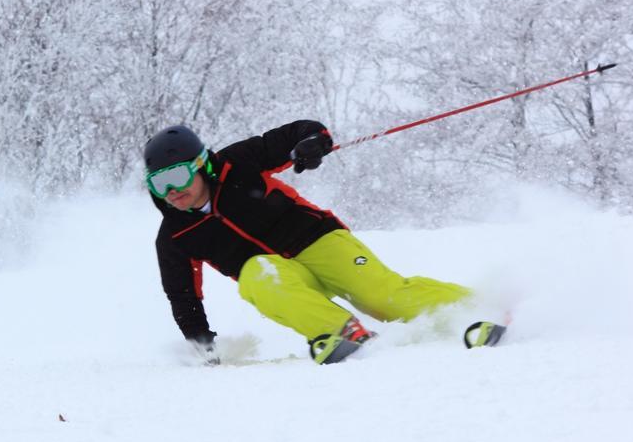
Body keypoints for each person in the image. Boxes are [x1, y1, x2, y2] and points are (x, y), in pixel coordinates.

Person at [144, 121, 505, 365]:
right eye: (159, 184)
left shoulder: (237, 164)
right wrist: (203, 348)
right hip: (281, 276)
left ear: (202, 165)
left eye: (177, 177)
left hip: (316, 241)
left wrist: (312, 142)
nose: (172, 192)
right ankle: (345, 335)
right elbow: (183, 296)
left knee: (380, 297)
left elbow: (296, 134)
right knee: (257, 276)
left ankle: (479, 310)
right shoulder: (175, 234)